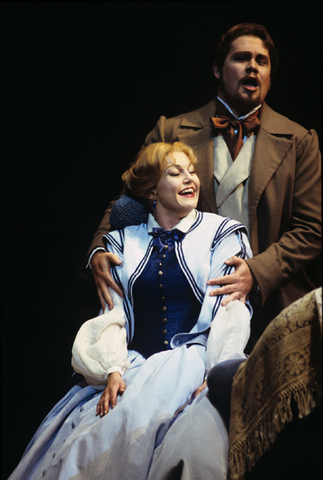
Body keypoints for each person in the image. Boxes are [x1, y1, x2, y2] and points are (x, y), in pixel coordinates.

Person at [9, 142, 252, 480]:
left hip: (196, 361)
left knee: (190, 445)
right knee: (87, 447)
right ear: (152, 188)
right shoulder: (122, 243)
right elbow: (112, 315)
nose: (189, 179)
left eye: (192, 172)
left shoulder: (220, 233)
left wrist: (218, 371)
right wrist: (113, 368)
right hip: (132, 365)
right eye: (175, 172)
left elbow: (230, 310)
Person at [83, 23, 321, 348]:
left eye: (261, 61)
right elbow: (128, 200)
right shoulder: (171, 131)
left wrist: (257, 271)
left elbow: (312, 228)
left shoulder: (299, 141)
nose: (252, 66)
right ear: (218, 70)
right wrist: (100, 247)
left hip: (273, 306)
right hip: (191, 307)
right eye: (241, 58)